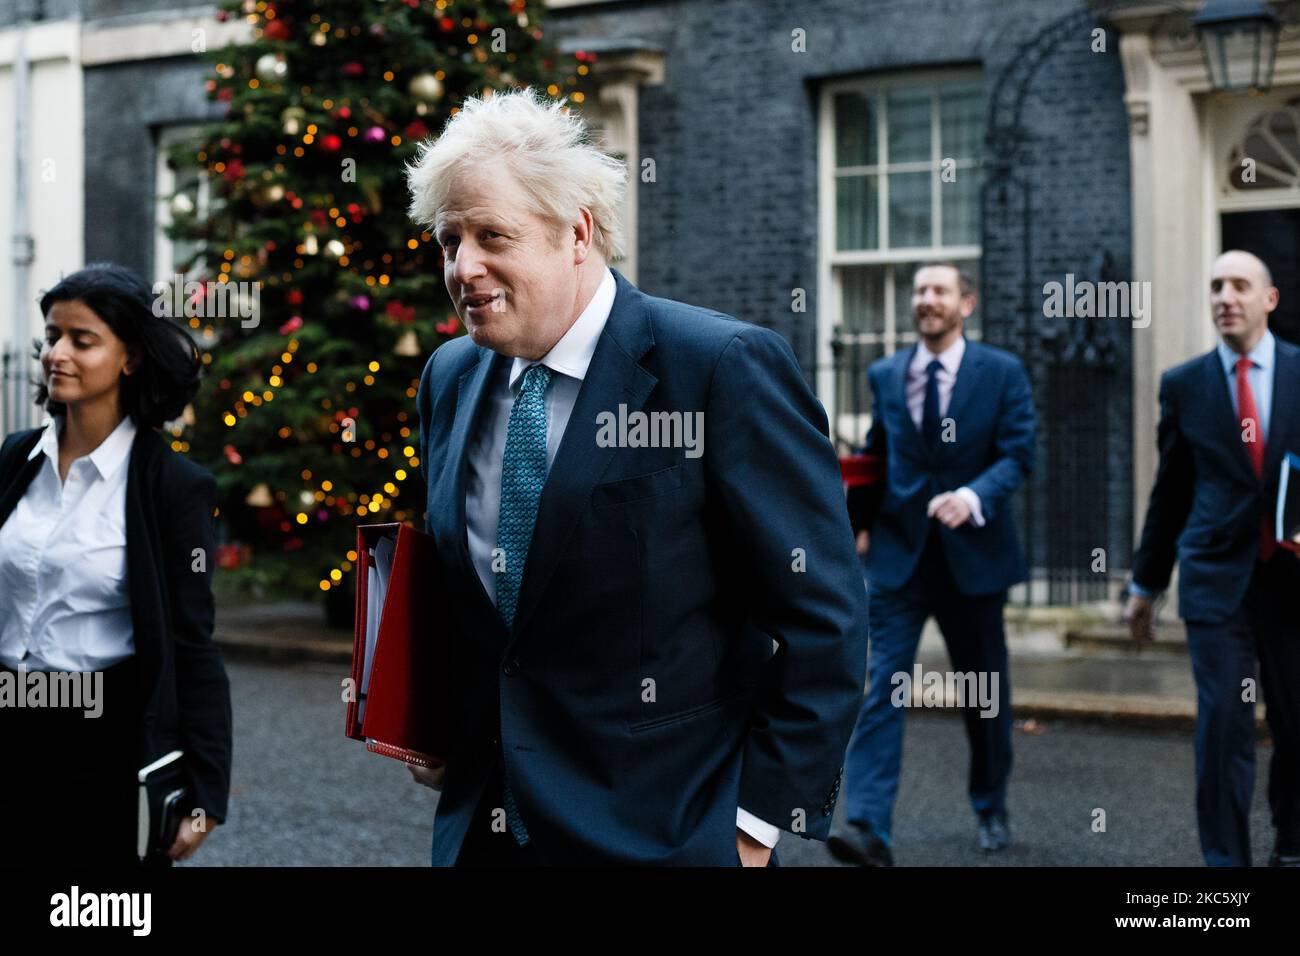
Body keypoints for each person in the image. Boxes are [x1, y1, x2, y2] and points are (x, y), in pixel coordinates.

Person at [401, 87, 868, 866]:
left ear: (576, 234)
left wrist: (754, 826)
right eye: (450, 240)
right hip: (483, 830)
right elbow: (477, 601)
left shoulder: (718, 368)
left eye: (492, 235)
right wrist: (429, 712)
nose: (463, 267)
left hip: (668, 836)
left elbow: (828, 617)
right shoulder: (450, 376)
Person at [0, 263, 233, 866]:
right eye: (52, 336)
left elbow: (193, 644)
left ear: (129, 358)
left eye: (82, 340)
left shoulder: (175, 488)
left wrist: (206, 791)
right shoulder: (12, 459)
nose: (57, 353)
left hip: (104, 746)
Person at [828, 263, 1035, 866]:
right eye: (920, 292)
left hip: (975, 559)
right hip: (900, 559)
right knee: (883, 687)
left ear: (965, 302)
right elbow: (877, 453)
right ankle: (868, 827)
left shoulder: (1002, 373)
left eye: (939, 291)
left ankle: (991, 802)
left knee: (984, 693)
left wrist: (973, 497)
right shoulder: (887, 374)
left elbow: (1020, 453)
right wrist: (858, 523)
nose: (926, 300)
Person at [1125, 249, 1300, 868]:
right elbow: (1169, 494)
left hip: (1291, 583)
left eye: (1240, 285)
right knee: (1224, 725)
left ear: (1269, 299)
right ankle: (1226, 872)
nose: (1226, 296)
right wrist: (1145, 585)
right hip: (1214, 581)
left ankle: (1293, 844)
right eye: (1216, 286)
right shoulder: (1185, 384)